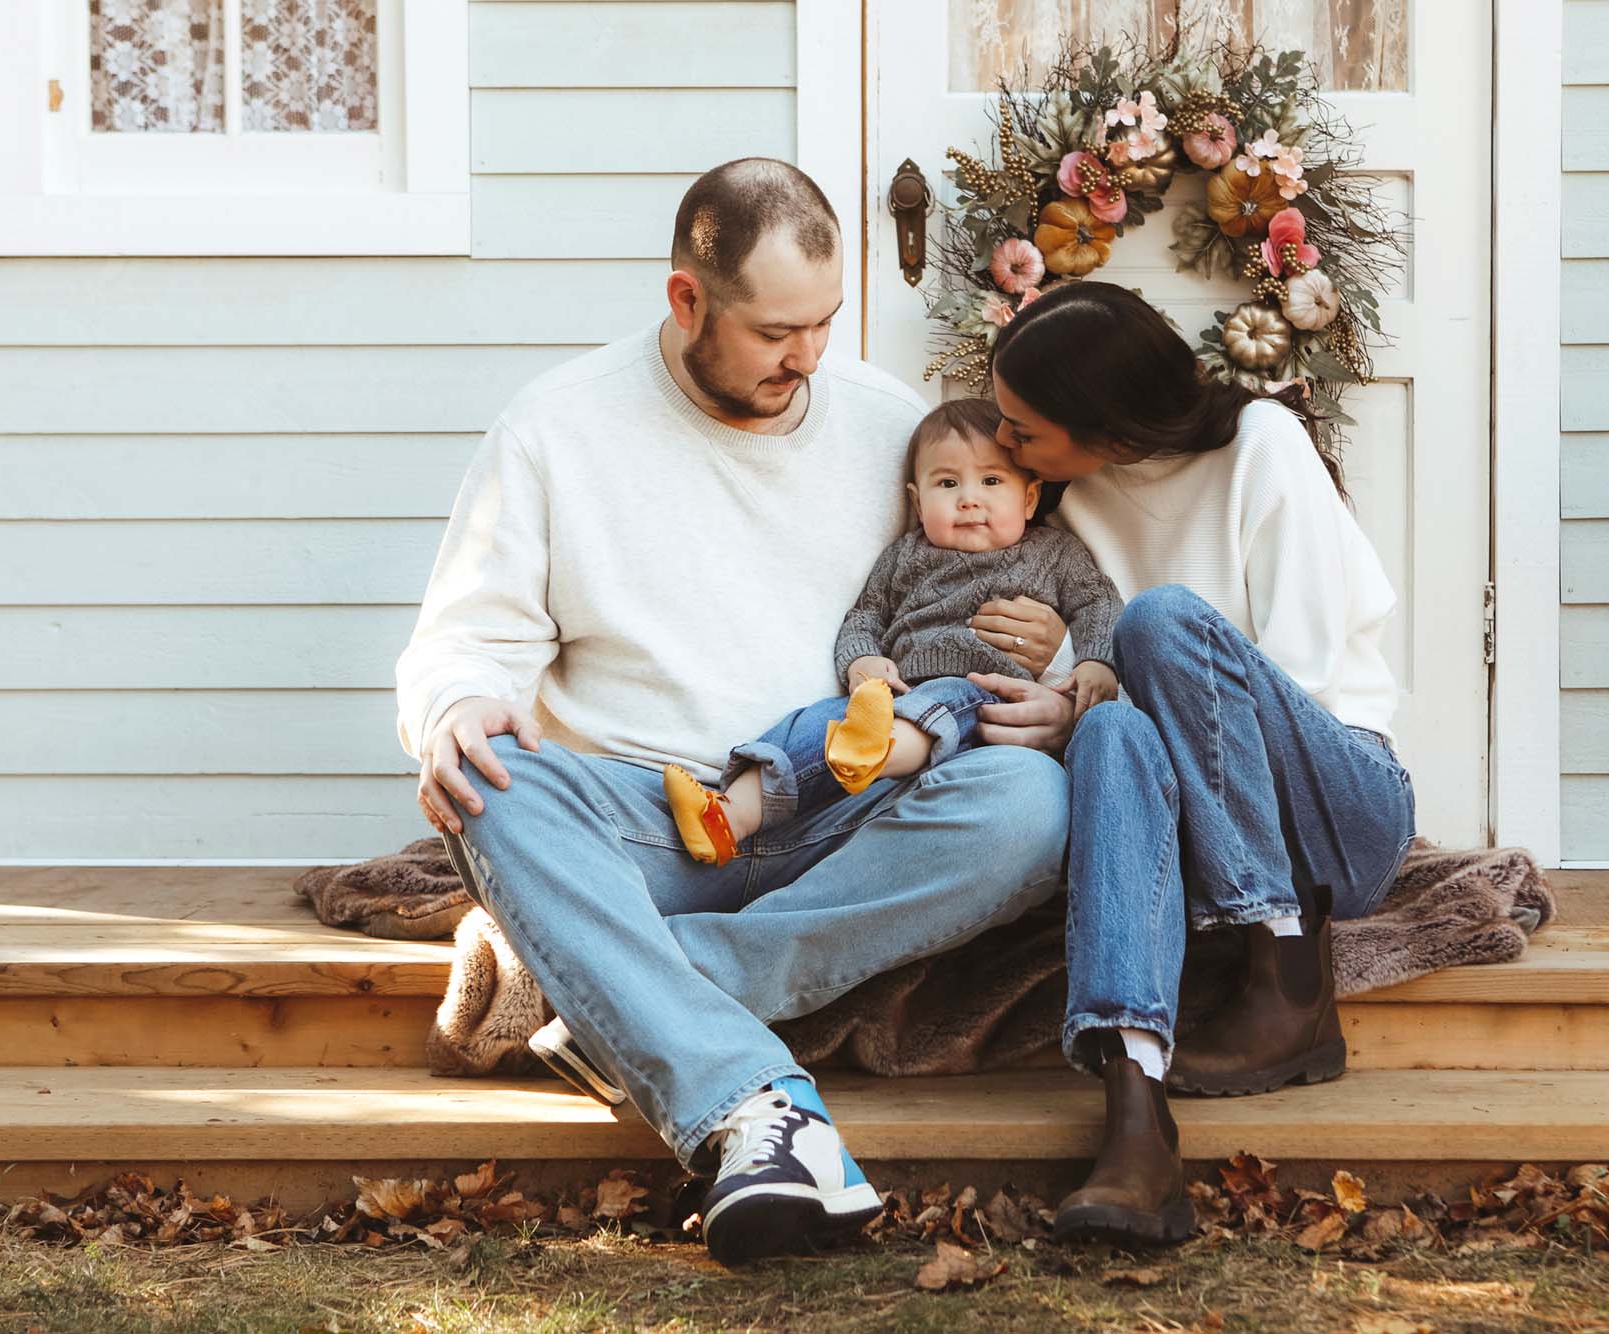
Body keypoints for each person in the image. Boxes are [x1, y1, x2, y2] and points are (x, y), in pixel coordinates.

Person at [395, 159, 1069, 1266]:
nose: (806, 358)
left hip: (850, 804)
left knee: (1029, 801)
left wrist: (1053, 675)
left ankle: (640, 989)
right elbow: (463, 641)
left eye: (824, 324)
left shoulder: (887, 424)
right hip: (655, 814)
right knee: (492, 794)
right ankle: (751, 1107)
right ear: (688, 301)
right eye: (774, 333)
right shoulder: (557, 430)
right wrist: (458, 704)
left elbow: (994, 580)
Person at [969, 280, 1418, 1247]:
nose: (1002, 448)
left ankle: (1288, 973)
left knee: (1160, 619)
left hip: (1335, 813)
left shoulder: (1263, 448)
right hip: (1194, 830)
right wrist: (1068, 680)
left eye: (1021, 431)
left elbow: (1299, 674)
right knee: (1109, 732)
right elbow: (1116, 704)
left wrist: (1108, 659)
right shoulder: (1070, 502)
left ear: (1111, 428)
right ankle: (1136, 1121)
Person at [660, 397, 1123, 864]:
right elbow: (865, 616)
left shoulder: (1055, 553)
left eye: (991, 480)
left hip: (987, 698)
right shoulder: (904, 555)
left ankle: (872, 751)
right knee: (815, 719)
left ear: (1028, 498)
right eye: (947, 483)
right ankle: (728, 813)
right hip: (894, 697)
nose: (969, 498)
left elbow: (1098, 602)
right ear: (918, 503)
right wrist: (862, 660)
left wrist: (1095, 661)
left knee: (946, 697)